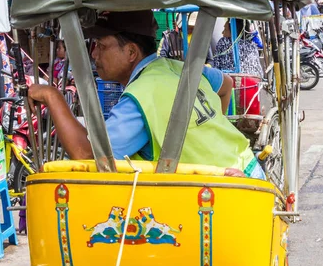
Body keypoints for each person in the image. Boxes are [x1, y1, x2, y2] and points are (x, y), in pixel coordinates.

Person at [28, 10, 264, 179]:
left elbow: (86, 154)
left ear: (131, 51)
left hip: (228, 190)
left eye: (101, 45)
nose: (94, 54)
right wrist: (208, 128)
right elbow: (226, 85)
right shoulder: (178, 67)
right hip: (249, 169)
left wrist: (52, 96)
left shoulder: (140, 97)